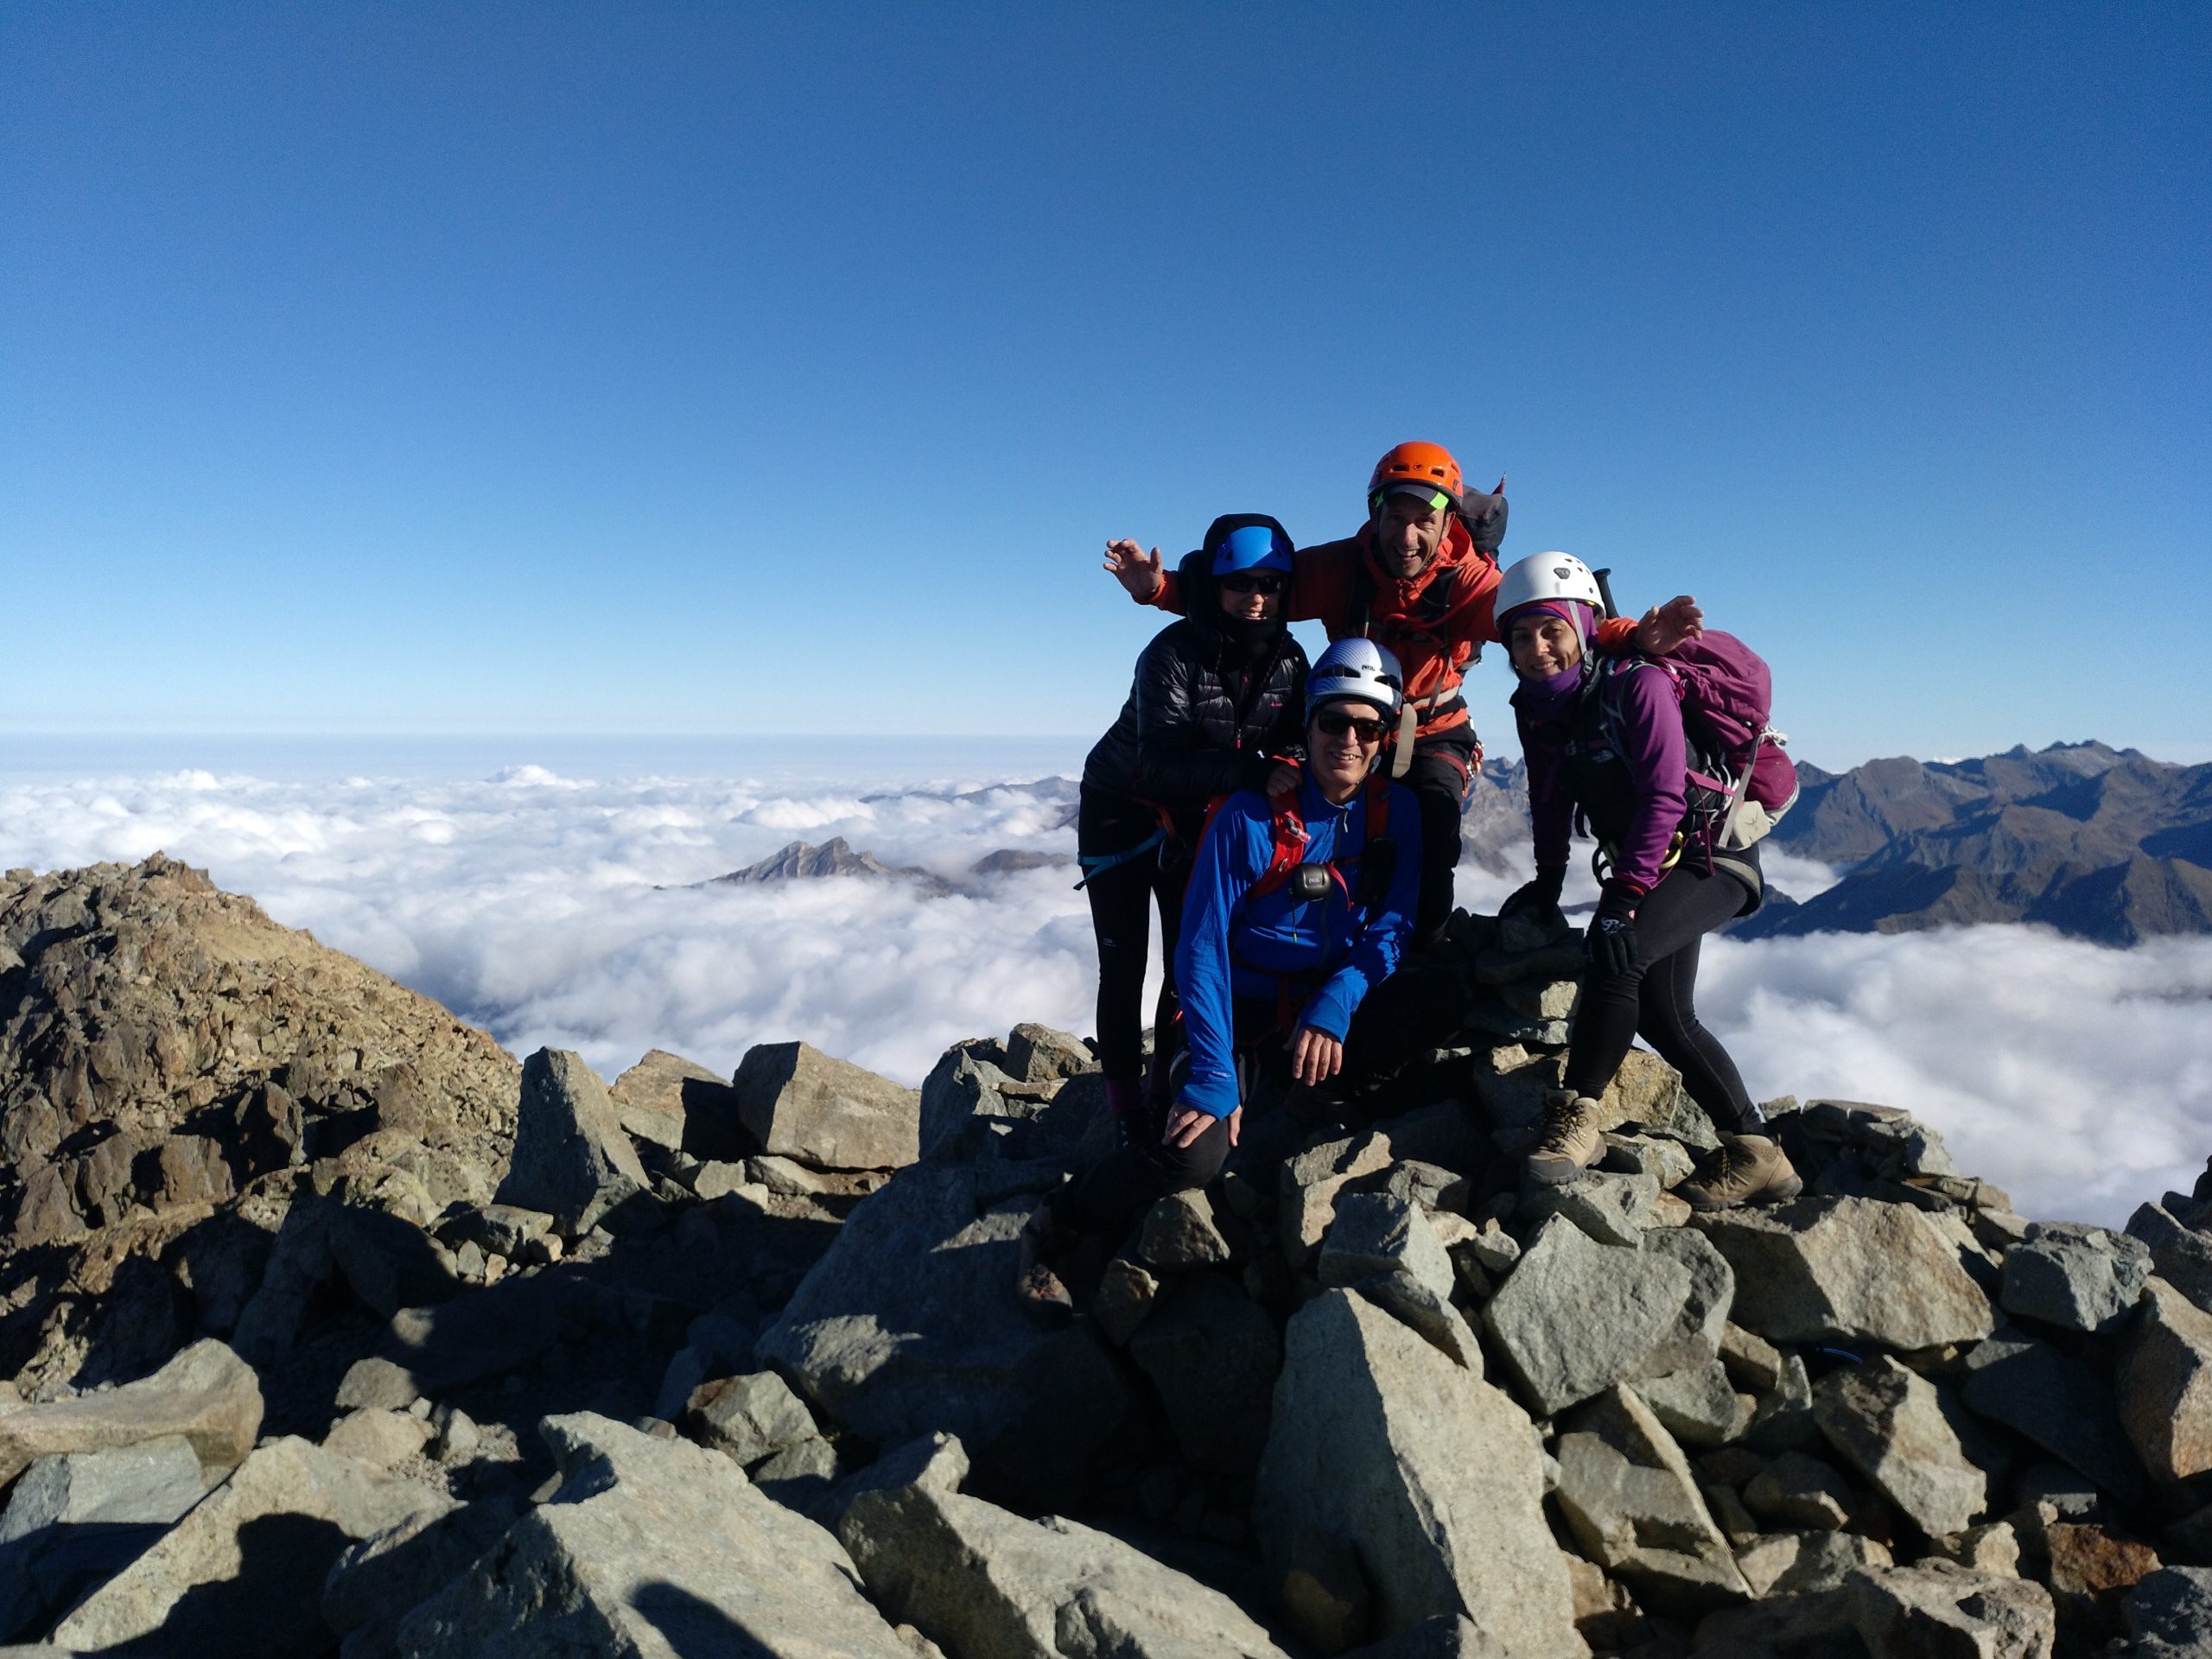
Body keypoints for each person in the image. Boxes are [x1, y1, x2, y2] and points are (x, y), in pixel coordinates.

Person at [1104, 442, 1702, 951]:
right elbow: (1255, 593)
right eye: (1395, 516)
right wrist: (1161, 589)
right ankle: (1316, 959)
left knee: (1432, 832)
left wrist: (1629, 636)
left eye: (1425, 519)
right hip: (1350, 724)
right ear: (1375, 514)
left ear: (1449, 523)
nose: (1407, 534)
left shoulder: (1469, 583)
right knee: (1321, 838)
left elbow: (1551, 620)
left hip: (1434, 729)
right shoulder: (1343, 567)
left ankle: (1415, 958)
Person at [1020, 639, 1422, 1313]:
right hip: (1233, 1014)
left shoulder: (1395, 812)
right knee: (1193, 1156)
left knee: (1438, 1001)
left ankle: (1299, 1093)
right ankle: (1062, 1220)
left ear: (1385, 738)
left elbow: (1395, 925)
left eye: (1367, 727)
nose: (1348, 741)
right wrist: (1211, 1070)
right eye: (1333, 722)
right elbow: (1200, 946)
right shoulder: (1251, 816)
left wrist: (1336, 1005)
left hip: (1317, 1007)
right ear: (1310, 722)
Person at [1491, 552, 1802, 1208]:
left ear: (1582, 625)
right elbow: (1548, 796)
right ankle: (1757, 1153)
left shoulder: (1637, 682)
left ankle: (1577, 1117)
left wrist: (1623, 897)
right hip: (1652, 862)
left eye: (1551, 629)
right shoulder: (1537, 709)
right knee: (1664, 1014)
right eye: (1520, 635)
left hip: (1712, 856)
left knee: (1615, 959)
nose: (1537, 648)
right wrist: (1549, 880)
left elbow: (1664, 794)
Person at [1077, 515, 1307, 1136]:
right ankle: (1126, 1110)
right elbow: (1156, 764)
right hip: (1119, 810)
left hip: (1197, 819)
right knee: (1123, 965)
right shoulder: (1171, 654)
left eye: (1271, 583)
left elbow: (1298, 743)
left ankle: (1165, 1087)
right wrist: (1254, 772)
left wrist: (1285, 766)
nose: (1257, 597)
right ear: (1213, 584)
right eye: (1240, 584)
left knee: (1190, 956)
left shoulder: (1290, 661)